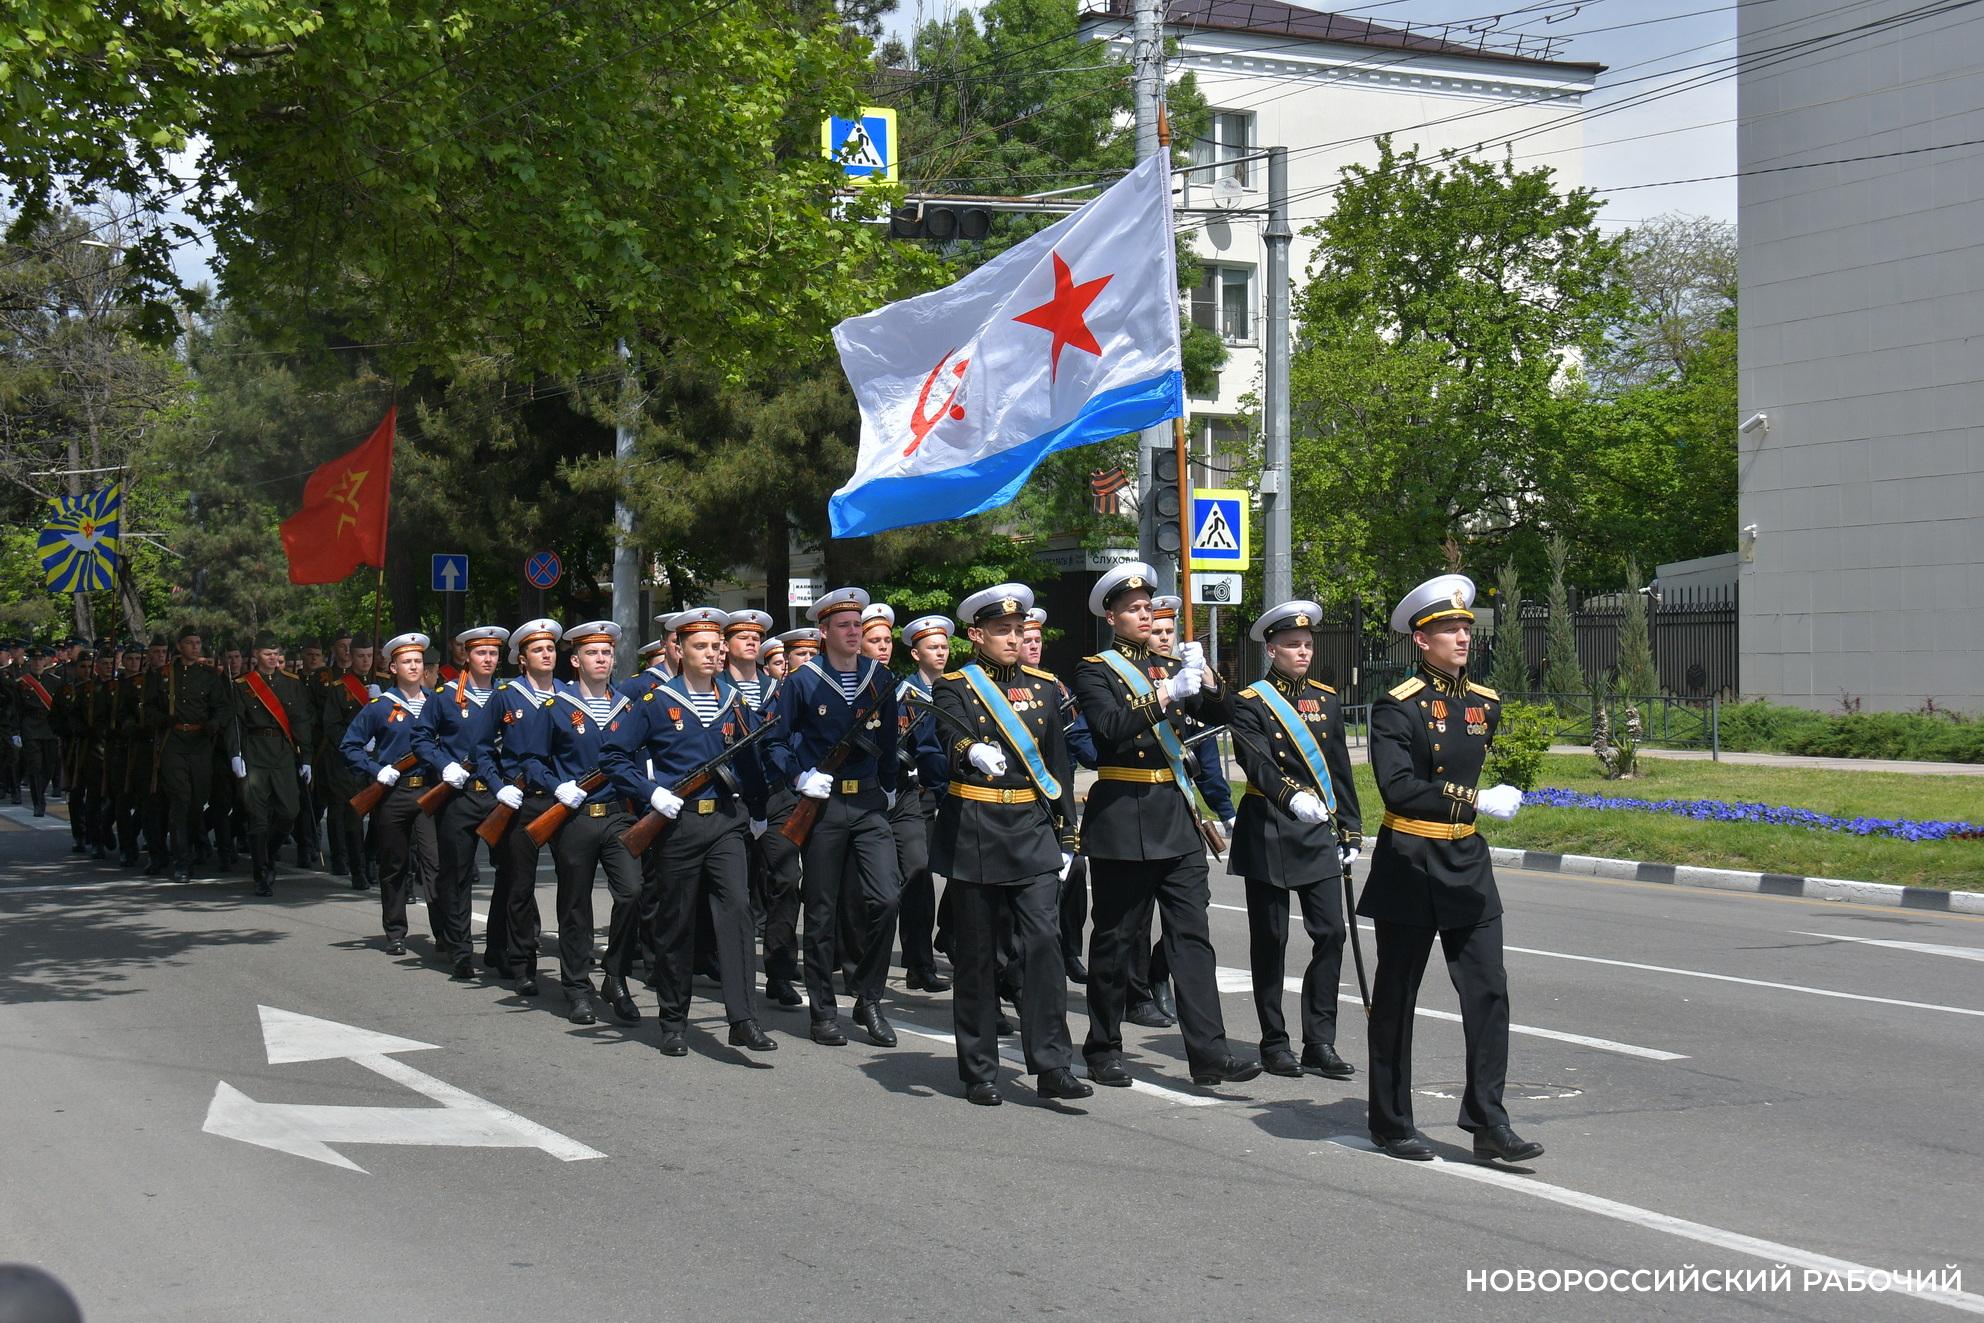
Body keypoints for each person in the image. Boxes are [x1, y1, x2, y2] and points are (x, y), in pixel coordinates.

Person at [1360, 573, 1539, 1164]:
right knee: (1397, 997)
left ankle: (1489, 1120)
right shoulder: (1397, 707)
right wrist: (1476, 798)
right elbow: (1399, 788)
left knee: (1488, 990)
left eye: (1465, 626)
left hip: (1466, 859)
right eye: (1448, 628)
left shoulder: (1484, 704)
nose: (1462, 636)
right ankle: (1390, 1120)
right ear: (1421, 639)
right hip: (1411, 859)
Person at [1072, 563, 1259, 1089]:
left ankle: (1209, 1053)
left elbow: (1225, 715)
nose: (1143, 614)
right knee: (1116, 939)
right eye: (1132, 609)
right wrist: (1165, 695)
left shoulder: (1168, 664)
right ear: (1112, 616)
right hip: (1123, 814)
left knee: (1191, 938)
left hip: (1174, 814)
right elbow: (1107, 729)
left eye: (1147, 607)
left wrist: (1208, 678)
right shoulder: (1096, 670)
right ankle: (1103, 1046)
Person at [932, 585, 1092, 1106]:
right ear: (976, 636)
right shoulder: (955, 686)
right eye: (1001, 630)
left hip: (1030, 825)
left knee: (1044, 944)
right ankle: (979, 1068)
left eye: (1018, 629)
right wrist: (970, 749)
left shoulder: (1045, 687)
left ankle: (1051, 1065)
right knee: (978, 955)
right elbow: (946, 733)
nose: (1013, 637)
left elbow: (1059, 768)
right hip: (976, 826)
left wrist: (1067, 833)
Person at [602, 607, 776, 1056]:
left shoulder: (734, 700)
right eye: (701, 646)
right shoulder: (655, 702)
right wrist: (649, 793)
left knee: (737, 911)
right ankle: (674, 1019)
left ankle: (743, 1019)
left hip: (725, 823)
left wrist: (758, 810)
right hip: (676, 825)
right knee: (675, 922)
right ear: (678, 650)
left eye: (717, 645)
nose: (713, 653)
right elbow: (613, 756)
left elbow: (750, 761)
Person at [1228, 600, 1364, 1079]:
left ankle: (1319, 1040)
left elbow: (1339, 767)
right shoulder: (1250, 701)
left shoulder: (1326, 698)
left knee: (1332, 932)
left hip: (1316, 829)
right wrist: (1290, 797)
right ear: (1271, 649)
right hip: (1269, 824)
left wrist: (1350, 826)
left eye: (1307, 644)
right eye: (1292, 645)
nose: (1302, 652)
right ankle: (1273, 1041)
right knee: (1272, 938)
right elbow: (1257, 763)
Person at [767, 587, 901, 1048]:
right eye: (843, 625)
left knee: (886, 898)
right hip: (821, 807)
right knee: (821, 912)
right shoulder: (802, 681)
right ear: (824, 632)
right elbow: (776, 742)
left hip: (867, 804)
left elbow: (888, 744)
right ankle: (823, 1010)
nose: (853, 632)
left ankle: (869, 998)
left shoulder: (880, 678)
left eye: (858, 625)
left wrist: (889, 784)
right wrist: (799, 777)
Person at [1128, 594, 1236, 1027]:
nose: (1164, 638)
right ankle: (1134, 992)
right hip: (1135, 805)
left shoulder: (1186, 680)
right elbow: (1089, 739)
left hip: (1179, 807)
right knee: (1135, 914)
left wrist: (1226, 810)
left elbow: (1209, 750)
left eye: (1170, 632)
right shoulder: (1125, 678)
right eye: (1157, 631)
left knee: (1191, 908)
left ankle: (1159, 973)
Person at [540, 620, 646, 1027]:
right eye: (592, 653)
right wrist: (556, 786)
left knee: (632, 892)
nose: (601, 659)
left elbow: (639, 761)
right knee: (575, 906)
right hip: (575, 817)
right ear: (576, 660)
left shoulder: (629, 707)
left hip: (619, 813)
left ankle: (615, 975)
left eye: (606, 653)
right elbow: (532, 759)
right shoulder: (557, 707)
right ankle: (577, 987)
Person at [413, 625, 510, 979]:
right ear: (466, 656)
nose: (488, 659)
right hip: (460, 794)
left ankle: (499, 947)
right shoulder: (444, 696)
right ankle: (459, 949)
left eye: (494, 653)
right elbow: (422, 739)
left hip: (500, 794)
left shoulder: (507, 694)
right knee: (456, 875)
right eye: (481, 653)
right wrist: (444, 765)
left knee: (511, 873)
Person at [338, 631, 440, 956]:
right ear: (392, 668)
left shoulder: (438, 704)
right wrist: (375, 769)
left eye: (418, 661)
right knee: (394, 864)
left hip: (428, 792)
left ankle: (445, 933)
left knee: (434, 864)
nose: (413, 666)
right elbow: (349, 745)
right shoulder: (380, 706)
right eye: (406, 661)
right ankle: (396, 930)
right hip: (393, 793)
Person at [488, 618, 566, 995]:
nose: (547, 654)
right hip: (521, 800)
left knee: (572, 883)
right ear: (522, 658)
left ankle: (573, 965)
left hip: (562, 799)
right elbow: (482, 748)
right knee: (520, 886)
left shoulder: (569, 694)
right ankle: (521, 964)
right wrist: (498, 786)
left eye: (550, 648)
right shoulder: (506, 695)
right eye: (538, 649)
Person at [1022, 607, 1097, 985]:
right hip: (1020, 803)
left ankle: (1069, 951)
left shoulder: (1055, 687)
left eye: (1037, 640)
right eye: (1027, 639)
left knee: (1075, 869)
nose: (1033, 645)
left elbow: (1077, 737)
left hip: (1057, 797)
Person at [228, 631, 316, 897]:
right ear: (255, 655)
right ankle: (262, 871)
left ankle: (270, 849)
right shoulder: (243, 684)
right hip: (254, 752)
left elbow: (300, 720)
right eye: (267, 654)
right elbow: (235, 723)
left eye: (276, 654)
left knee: (290, 810)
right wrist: (236, 754)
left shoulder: (291, 683)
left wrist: (306, 758)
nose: (272, 659)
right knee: (257, 815)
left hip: (282, 752)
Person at [894, 614, 954, 994]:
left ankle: (950, 937)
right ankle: (919, 963)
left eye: (945, 646)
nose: (941, 653)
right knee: (917, 877)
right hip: (919, 798)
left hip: (955, 793)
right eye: (933, 647)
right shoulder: (905, 696)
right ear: (916, 653)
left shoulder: (958, 689)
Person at [149, 626, 233, 881]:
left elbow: (223, 708)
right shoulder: (163, 674)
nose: (195, 647)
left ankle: (199, 845)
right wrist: (163, 719)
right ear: (179, 646)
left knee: (197, 801)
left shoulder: (209, 676)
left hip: (200, 744)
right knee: (180, 801)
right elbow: (148, 709)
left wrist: (214, 724)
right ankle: (181, 860)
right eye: (190, 643)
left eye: (198, 643)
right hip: (173, 742)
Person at [319, 632, 377, 891]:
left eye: (369, 656)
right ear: (351, 657)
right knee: (354, 816)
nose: (366, 661)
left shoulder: (383, 684)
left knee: (379, 817)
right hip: (350, 763)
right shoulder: (339, 689)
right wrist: (357, 744)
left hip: (378, 761)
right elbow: (331, 726)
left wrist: (380, 700)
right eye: (361, 656)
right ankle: (358, 869)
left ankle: (372, 860)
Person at [10, 647, 60, 818]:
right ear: (29, 661)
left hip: (50, 729)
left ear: (45, 661)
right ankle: (38, 802)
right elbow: (16, 709)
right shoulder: (21, 683)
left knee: (49, 766)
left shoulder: (55, 682)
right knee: (35, 766)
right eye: (34, 659)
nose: (38, 662)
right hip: (30, 728)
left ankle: (41, 791)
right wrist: (16, 732)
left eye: (41, 659)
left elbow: (60, 709)